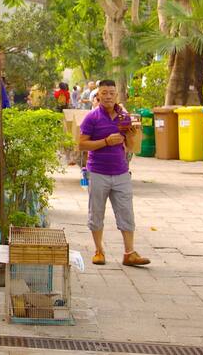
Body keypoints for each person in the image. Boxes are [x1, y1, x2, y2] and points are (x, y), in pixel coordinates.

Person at [78, 79, 150, 268]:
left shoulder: (124, 117)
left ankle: (129, 253)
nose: (108, 96)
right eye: (104, 93)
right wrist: (105, 142)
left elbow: (132, 145)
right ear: (98, 95)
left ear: (116, 95)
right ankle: (99, 250)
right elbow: (82, 144)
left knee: (126, 213)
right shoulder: (91, 118)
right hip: (98, 172)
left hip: (121, 172)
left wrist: (133, 134)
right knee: (96, 213)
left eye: (111, 93)